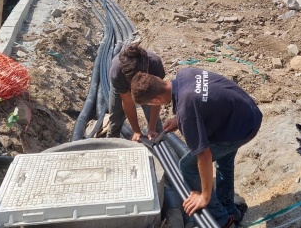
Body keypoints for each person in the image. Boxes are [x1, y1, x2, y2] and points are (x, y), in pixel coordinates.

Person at [131, 68, 262, 228]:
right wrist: (179, 119)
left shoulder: (187, 112)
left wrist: (204, 196)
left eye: (150, 104)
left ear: (156, 100)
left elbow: (204, 155)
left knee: (188, 166)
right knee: (224, 162)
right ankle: (230, 210)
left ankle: (222, 221)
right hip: (246, 113)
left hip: (238, 129)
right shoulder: (185, 74)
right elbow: (205, 101)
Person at [107, 43, 165, 141]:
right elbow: (128, 102)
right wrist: (136, 131)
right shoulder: (117, 72)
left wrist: (151, 128)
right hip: (123, 85)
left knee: (156, 127)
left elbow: (156, 101)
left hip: (148, 86)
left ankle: (158, 144)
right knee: (115, 119)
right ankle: (111, 142)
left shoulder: (155, 65)